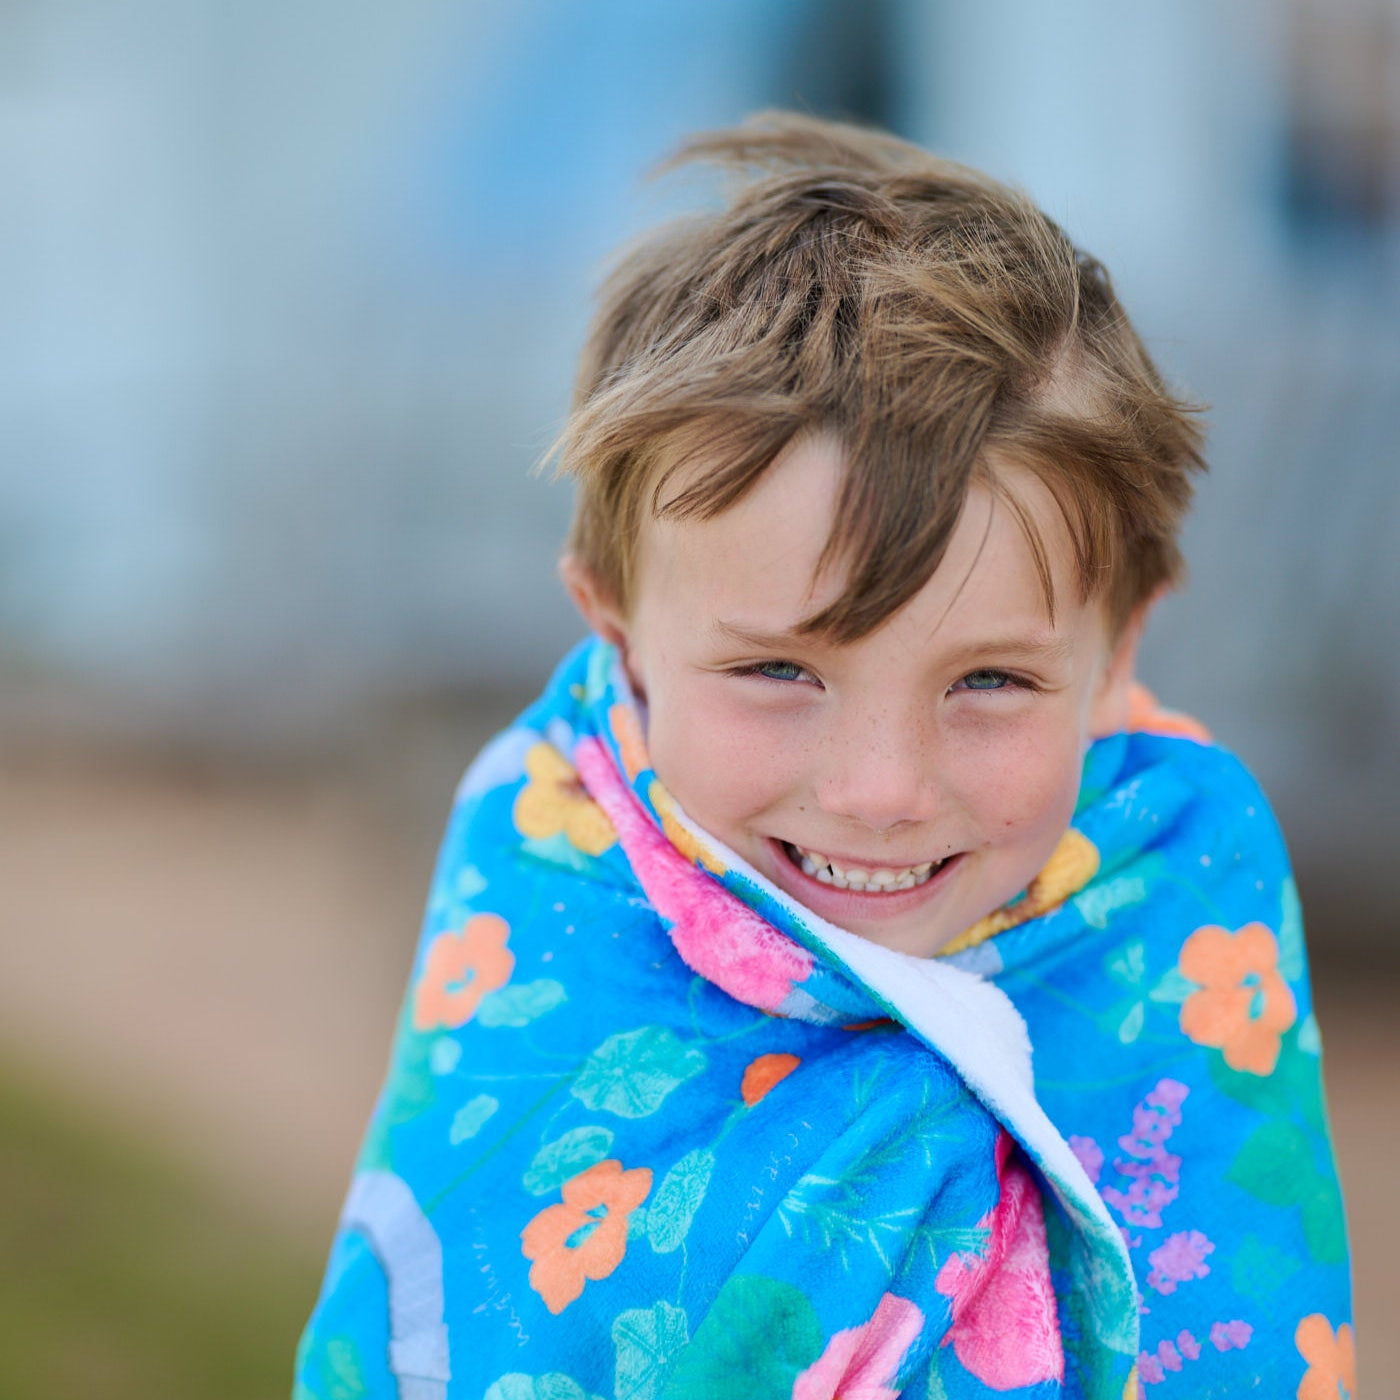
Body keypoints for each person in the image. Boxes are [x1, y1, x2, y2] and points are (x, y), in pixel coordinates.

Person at [295, 113, 1353, 1399]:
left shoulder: (1178, 891)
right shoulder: (550, 863)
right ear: (616, 629)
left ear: (1118, 648)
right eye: (778, 671)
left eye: (989, 682)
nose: (880, 790)